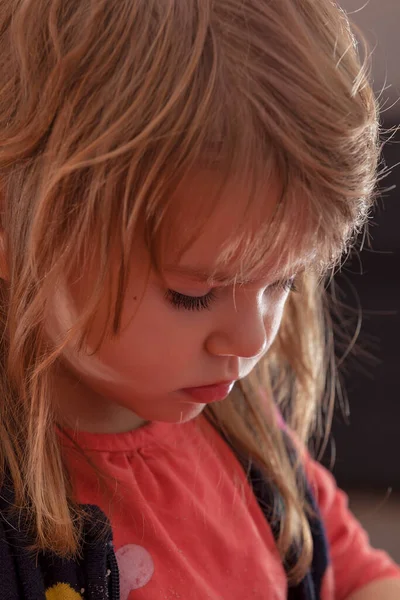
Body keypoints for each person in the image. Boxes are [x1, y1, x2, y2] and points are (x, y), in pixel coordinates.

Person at [0, 0, 399, 598]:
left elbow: (358, 575)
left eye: (282, 283)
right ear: (17, 237)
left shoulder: (242, 430)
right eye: (194, 294)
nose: (251, 339)